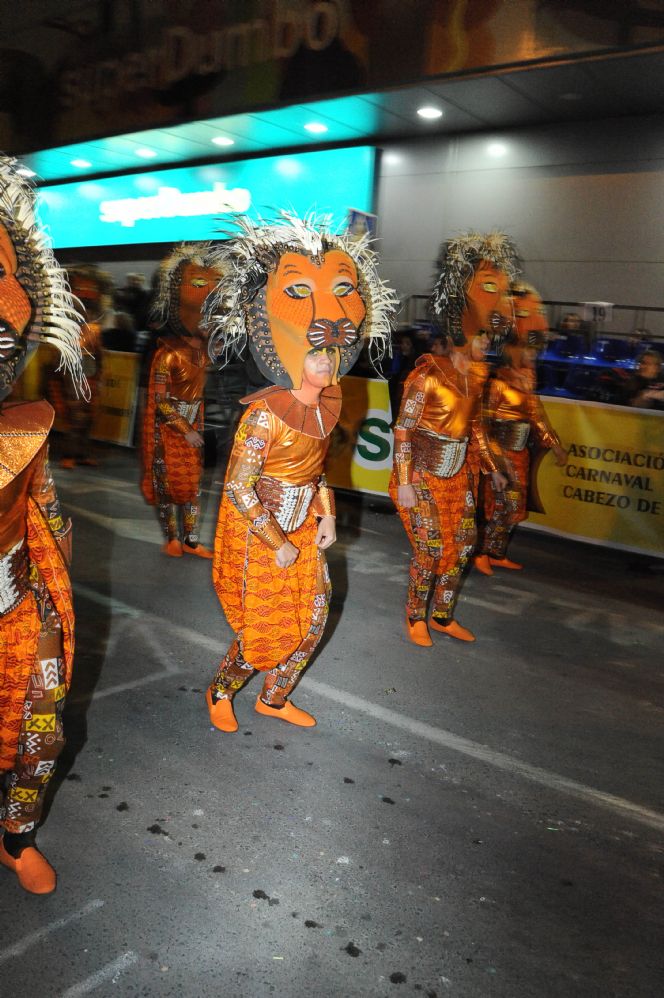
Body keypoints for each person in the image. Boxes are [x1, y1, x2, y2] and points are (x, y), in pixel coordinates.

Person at [204, 211, 396, 731]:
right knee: (264, 629)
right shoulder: (265, 413)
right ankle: (221, 690)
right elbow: (240, 487)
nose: (327, 366)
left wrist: (327, 517)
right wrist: (275, 540)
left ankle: (274, 696)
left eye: (331, 358)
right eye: (317, 359)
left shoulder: (323, 408)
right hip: (261, 536)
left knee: (313, 619)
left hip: (304, 527)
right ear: (293, 357)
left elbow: (316, 475)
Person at [0, 156, 86, 894]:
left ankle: (17, 834)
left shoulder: (26, 424)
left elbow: (48, 512)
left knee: (44, 730)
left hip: (20, 605)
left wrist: (53, 593)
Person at [389, 232, 517, 647]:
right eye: (481, 336)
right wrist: (405, 481)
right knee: (429, 549)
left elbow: (476, 429)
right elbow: (404, 429)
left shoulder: (479, 377)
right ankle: (415, 617)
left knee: (462, 547)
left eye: (488, 337)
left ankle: (442, 616)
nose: (486, 344)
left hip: (458, 477)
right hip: (422, 476)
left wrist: (494, 469)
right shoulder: (426, 373)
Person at [474, 282, 567, 575]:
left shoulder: (528, 378)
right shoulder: (499, 380)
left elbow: (536, 415)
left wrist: (554, 444)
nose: (533, 356)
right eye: (529, 351)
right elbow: (484, 423)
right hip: (502, 451)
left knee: (513, 508)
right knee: (498, 506)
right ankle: (481, 554)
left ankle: (498, 552)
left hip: (520, 452)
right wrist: (494, 458)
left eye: (535, 351)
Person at [140, 244, 219, 557]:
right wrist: (184, 428)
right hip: (169, 430)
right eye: (199, 284)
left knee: (194, 488)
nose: (208, 290)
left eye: (211, 284)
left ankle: (191, 540)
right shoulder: (167, 352)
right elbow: (160, 402)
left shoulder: (207, 349)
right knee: (167, 485)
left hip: (195, 422)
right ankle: (172, 537)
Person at [49, 264, 104, 468]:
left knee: (88, 416)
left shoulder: (93, 327)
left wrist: (99, 374)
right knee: (76, 416)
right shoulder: (67, 325)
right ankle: (69, 455)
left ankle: (81, 454)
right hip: (71, 373)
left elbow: (99, 354)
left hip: (88, 372)